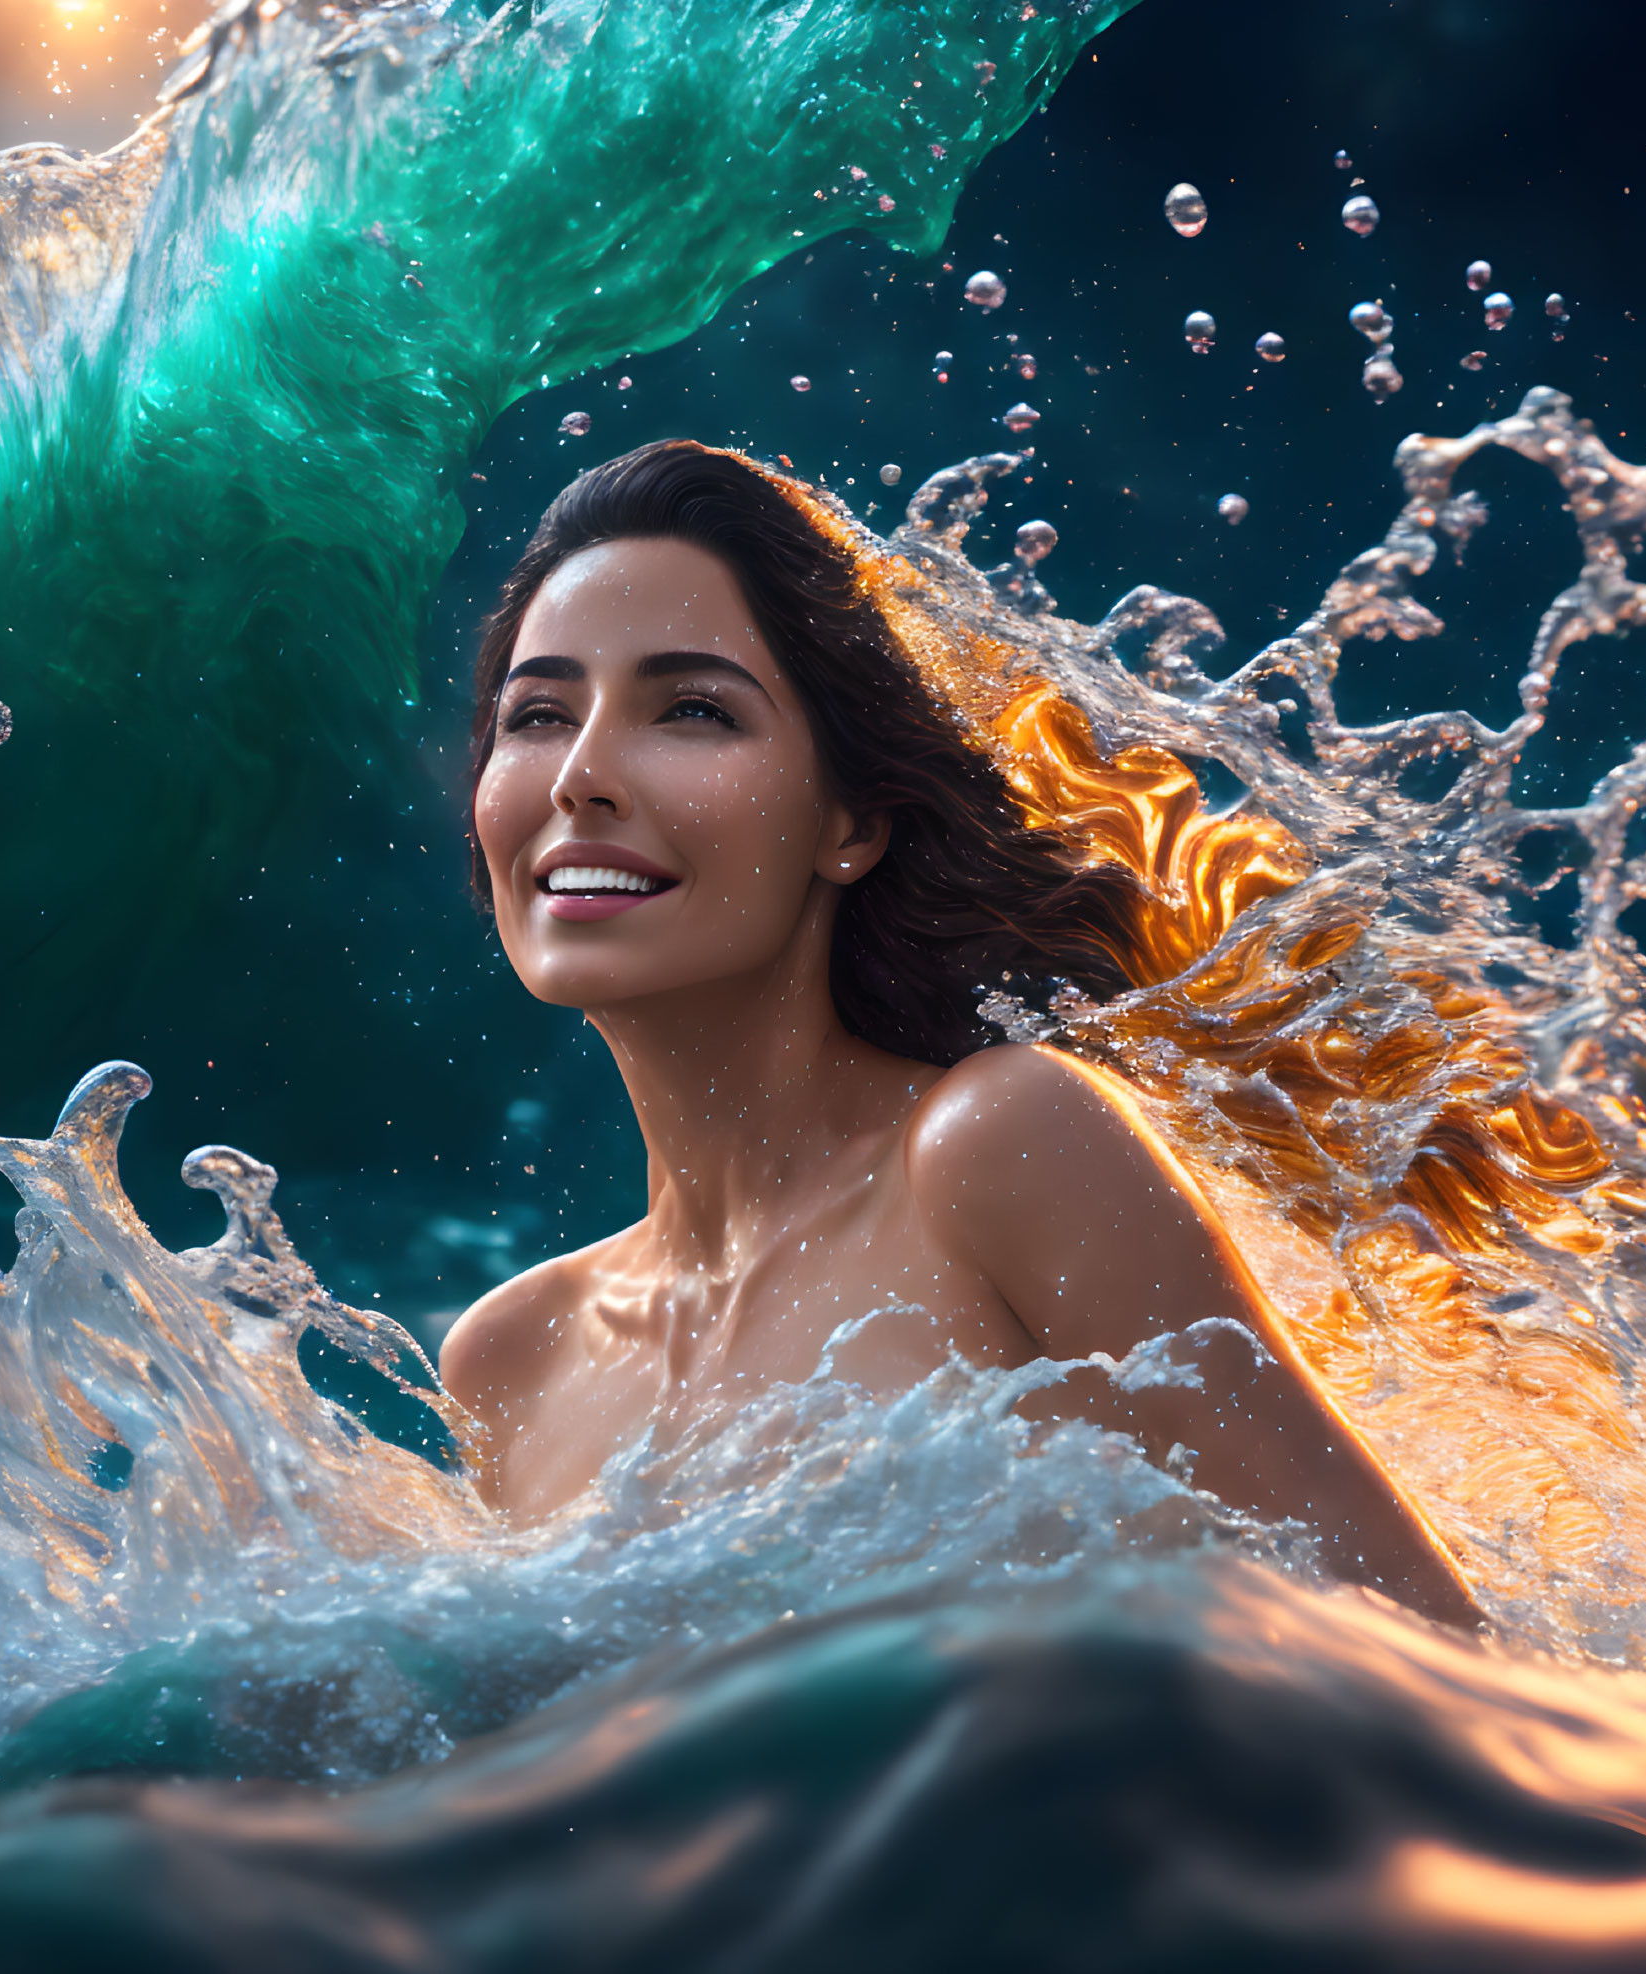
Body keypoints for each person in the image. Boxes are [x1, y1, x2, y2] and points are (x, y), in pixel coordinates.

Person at [437, 440, 1480, 1627]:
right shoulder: (510, 1359)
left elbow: (1434, 1650)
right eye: (536, 715)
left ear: (854, 822)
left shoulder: (1000, 1148)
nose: (580, 777)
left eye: (690, 710)